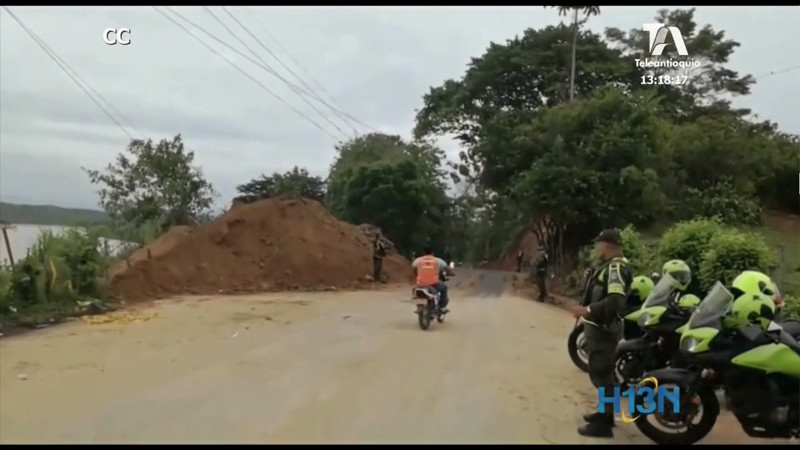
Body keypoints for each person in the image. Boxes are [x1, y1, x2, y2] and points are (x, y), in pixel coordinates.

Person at [568, 229, 633, 438]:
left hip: (604, 331)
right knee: (603, 375)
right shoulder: (608, 267)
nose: (596, 249)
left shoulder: (615, 268)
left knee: (603, 376)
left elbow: (615, 301)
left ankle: (604, 424)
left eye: (598, 244)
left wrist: (588, 310)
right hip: (600, 329)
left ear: (607, 245)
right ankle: (604, 414)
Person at [412, 245, 455, 312]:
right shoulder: (438, 260)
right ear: (433, 253)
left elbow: (414, 269)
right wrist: (452, 273)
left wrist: (417, 276)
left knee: (416, 292)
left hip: (420, 284)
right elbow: (448, 269)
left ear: (423, 253)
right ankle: (442, 307)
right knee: (444, 287)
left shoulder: (418, 261)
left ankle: (419, 307)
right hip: (434, 284)